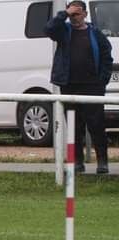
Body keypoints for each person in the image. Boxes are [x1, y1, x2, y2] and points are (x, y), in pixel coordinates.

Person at [45, 0, 113, 174]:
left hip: (92, 87)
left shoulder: (96, 34)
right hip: (69, 86)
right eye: (72, 14)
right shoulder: (63, 31)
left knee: (96, 125)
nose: (74, 17)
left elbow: (107, 57)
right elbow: (49, 29)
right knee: (74, 127)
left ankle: (102, 162)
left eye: (77, 13)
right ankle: (77, 162)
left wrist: (102, 81)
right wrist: (64, 14)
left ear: (85, 14)